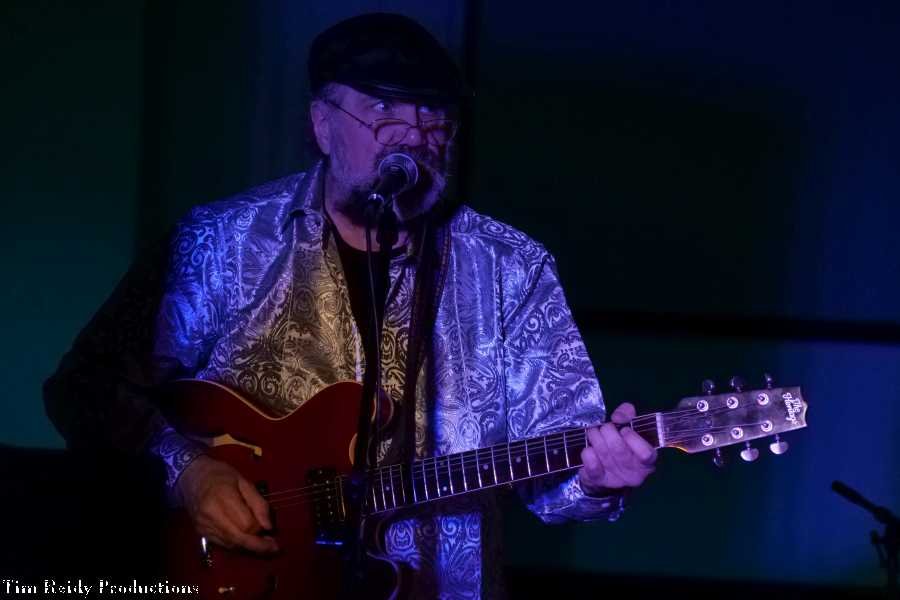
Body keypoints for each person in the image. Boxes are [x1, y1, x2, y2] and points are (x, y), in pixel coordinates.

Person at [44, 12, 657, 599]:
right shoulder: (219, 243)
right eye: (383, 109)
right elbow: (85, 386)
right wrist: (189, 472)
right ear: (322, 124)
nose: (414, 135)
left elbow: (555, 478)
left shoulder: (513, 269)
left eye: (433, 115)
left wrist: (598, 480)